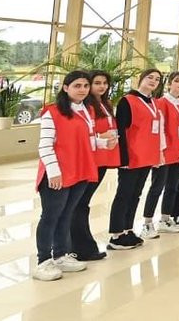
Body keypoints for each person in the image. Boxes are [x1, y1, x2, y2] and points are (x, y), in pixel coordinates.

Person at [34, 71, 107, 281]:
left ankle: (61, 255)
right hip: (58, 173)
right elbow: (45, 145)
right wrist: (54, 173)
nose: (82, 90)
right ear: (66, 88)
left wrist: (103, 143)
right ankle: (43, 261)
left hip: (80, 171)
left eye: (85, 86)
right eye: (77, 86)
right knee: (51, 216)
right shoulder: (52, 112)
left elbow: (87, 141)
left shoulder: (87, 110)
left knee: (66, 214)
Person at [107, 69, 164, 251]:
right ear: (141, 79)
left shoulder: (153, 102)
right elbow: (121, 130)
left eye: (157, 79)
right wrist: (122, 158)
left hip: (146, 156)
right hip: (131, 156)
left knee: (135, 194)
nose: (153, 81)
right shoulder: (128, 101)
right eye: (150, 77)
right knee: (124, 194)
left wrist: (157, 154)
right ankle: (116, 234)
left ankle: (128, 229)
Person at [69, 70, 119, 261]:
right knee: (80, 203)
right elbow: (83, 132)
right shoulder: (86, 106)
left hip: (103, 157)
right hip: (90, 159)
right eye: (97, 83)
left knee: (83, 203)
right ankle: (79, 247)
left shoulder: (105, 104)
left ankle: (83, 245)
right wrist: (99, 136)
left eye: (105, 83)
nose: (102, 86)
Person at [142, 72, 179, 238]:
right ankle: (147, 223)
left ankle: (165, 219)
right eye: (177, 81)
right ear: (169, 84)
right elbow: (159, 129)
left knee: (173, 187)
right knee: (157, 187)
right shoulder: (161, 103)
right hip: (164, 152)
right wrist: (159, 151)